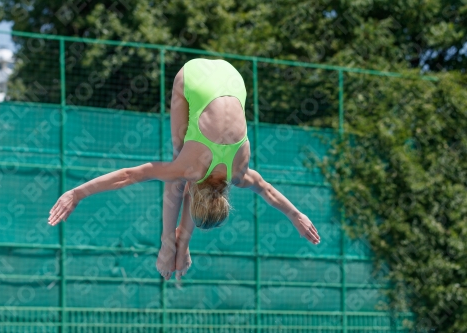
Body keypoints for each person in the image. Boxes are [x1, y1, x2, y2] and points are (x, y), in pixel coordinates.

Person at [48, 58, 321, 281]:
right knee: (178, 158)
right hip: (192, 75)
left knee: (182, 172)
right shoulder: (190, 170)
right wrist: (77, 193)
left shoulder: (240, 172)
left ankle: (175, 241)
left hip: (232, 75)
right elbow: (129, 175)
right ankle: (172, 242)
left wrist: (297, 216)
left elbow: (268, 191)